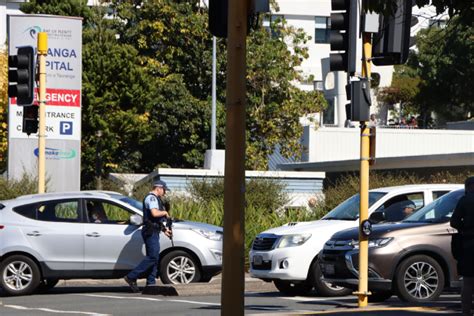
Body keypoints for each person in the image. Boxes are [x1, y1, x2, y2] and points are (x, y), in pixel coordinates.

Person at [124, 180, 172, 293]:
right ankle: (131, 277)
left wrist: (165, 230)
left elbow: (155, 218)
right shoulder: (151, 198)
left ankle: (151, 284)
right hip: (150, 231)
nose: (164, 193)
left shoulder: (156, 199)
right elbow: (155, 214)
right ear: (158, 188)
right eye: (164, 190)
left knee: (154, 257)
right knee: (153, 257)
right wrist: (165, 213)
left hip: (154, 230)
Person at [450, 176, 474, 316]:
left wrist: (465, 227)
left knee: (468, 282)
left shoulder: (465, 201)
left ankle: (466, 311)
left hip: (469, 245)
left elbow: (454, 222)